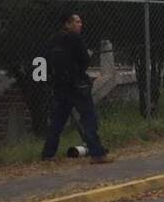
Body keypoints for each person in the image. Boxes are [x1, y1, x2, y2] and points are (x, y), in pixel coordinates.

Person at [41, 12, 112, 164]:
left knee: (57, 122)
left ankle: (48, 154)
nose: (81, 24)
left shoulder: (53, 40)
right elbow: (85, 61)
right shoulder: (75, 38)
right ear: (68, 24)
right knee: (89, 119)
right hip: (78, 86)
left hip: (60, 87)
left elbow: (44, 60)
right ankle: (97, 153)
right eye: (77, 22)